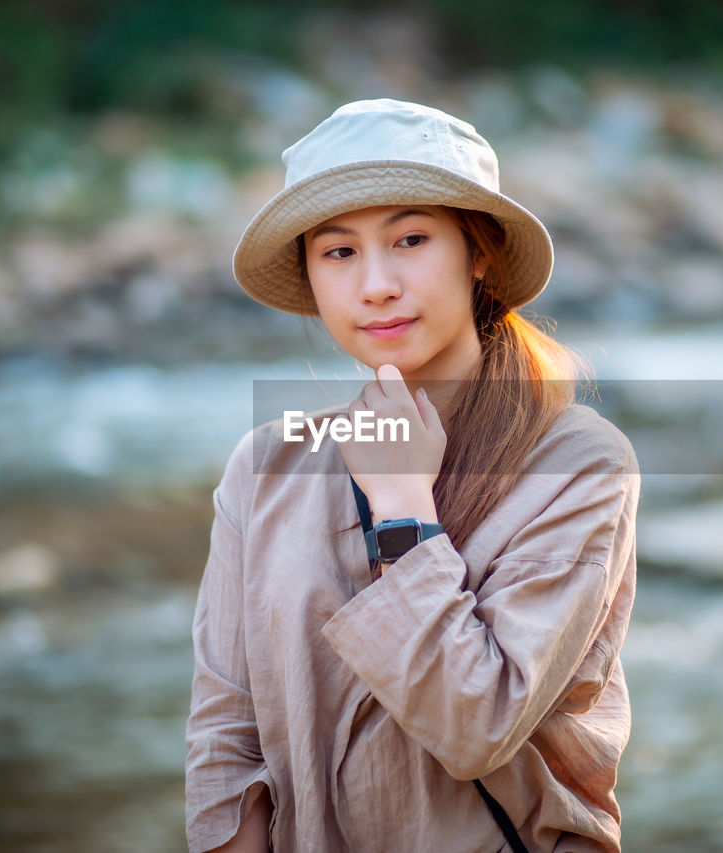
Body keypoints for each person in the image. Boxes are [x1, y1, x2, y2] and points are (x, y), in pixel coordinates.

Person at [186, 98, 639, 853]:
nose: (376, 285)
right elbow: (224, 746)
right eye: (338, 252)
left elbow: (476, 727)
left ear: (479, 250)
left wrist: (404, 511)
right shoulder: (265, 468)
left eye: (411, 239)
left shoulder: (577, 465)